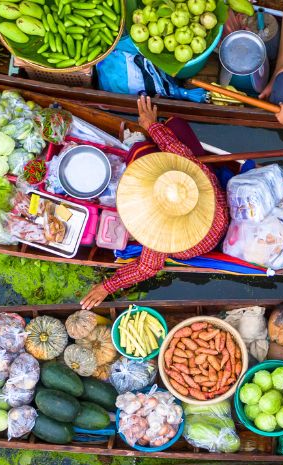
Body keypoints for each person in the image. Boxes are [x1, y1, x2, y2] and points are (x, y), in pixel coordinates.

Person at [79, 96, 228, 309]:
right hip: (214, 212)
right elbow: (174, 147)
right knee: (175, 126)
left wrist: (107, 286)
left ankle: (143, 147)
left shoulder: (161, 236)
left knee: (138, 152)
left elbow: (147, 268)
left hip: (197, 241)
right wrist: (151, 125)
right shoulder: (197, 175)